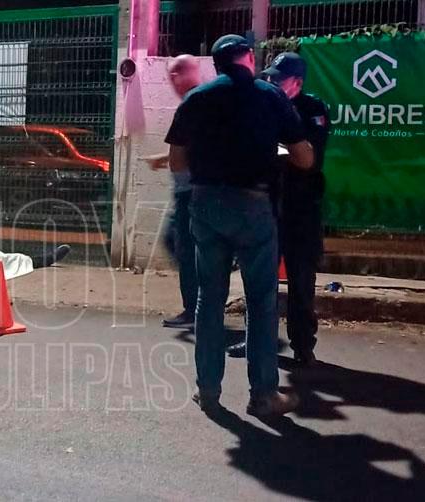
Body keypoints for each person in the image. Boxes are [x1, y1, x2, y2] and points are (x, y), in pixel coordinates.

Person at [165, 34, 314, 416]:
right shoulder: (270, 96)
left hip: (206, 205)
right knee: (261, 301)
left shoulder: (196, 99)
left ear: (215, 64)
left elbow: (177, 162)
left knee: (208, 299)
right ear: (248, 58)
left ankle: (208, 390)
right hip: (253, 206)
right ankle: (263, 394)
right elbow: (304, 158)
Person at [266, 52, 330, 366]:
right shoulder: (265, 106)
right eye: (270, 77)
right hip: (269, 204)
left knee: (302, 280)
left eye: (279, 78)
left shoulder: (313, 109)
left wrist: (278, 150)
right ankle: (258, 340)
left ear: (298, 82)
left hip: (301, 208)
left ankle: (303, 345)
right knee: (261, 278)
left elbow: (309, 159)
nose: (272, 82)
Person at [152, 55, 202, 328]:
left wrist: (169, 160)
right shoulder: (203, 100)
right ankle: (197, 305)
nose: (171, 81)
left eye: (173, 75)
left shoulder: (192, 103)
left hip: (189, 192)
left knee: (183, 247)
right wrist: (164, 159)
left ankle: (193, 309)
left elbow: (182, 153)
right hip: (194, 190)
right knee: (182, 244)